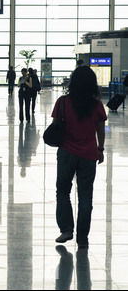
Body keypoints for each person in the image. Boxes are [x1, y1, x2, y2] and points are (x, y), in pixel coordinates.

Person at [52, 65, 107, 249]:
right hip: (88, 155)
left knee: (63, 191)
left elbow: (55, 125)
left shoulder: (63, 102)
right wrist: (100, 148)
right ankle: (82, 238)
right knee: (85, 196)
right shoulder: (97, 105)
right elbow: (100, 129)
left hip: (67, 152)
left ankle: (66, 229)